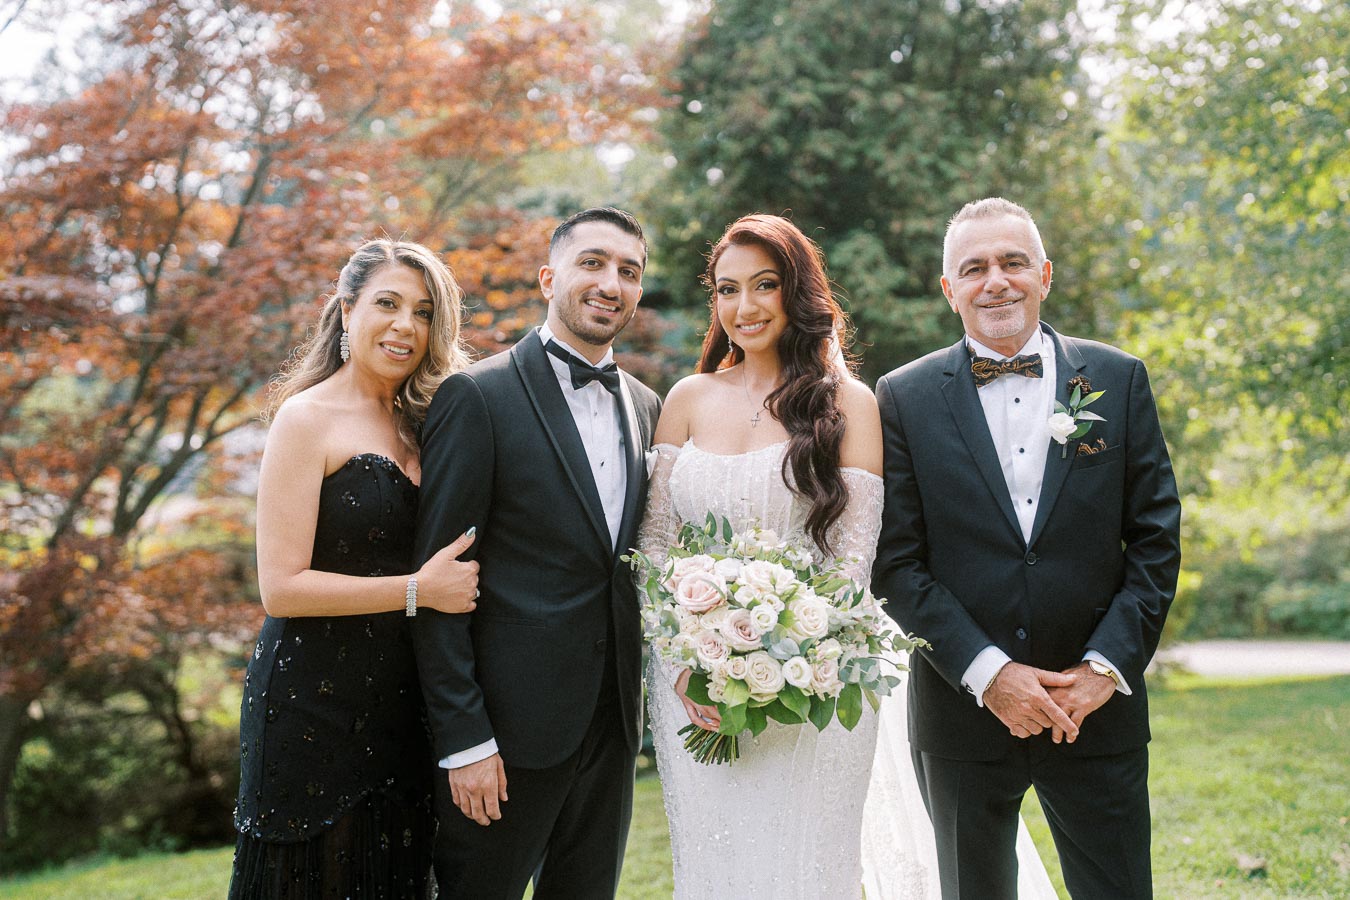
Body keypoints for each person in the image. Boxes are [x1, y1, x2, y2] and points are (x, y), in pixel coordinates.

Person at [872, 197, 1182, 898]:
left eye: (1013, 262)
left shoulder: (1117, 378)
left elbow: (1157, 538)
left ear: (1043, 273)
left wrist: (1105, 668)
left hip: (1094, 710)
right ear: (949, 289)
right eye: (974, 267)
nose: (996, 281)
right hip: (964, 713)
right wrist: (988, 674)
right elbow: (895, 562)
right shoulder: (902, 396)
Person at [638, 213, 897, 897]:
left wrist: (784, 662)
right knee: (717, 866)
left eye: (764, 285)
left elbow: (851, 562)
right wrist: (689, 662)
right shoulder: (687, 400)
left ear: (797, 293)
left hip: (817, 681)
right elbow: (655, 546)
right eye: (727, 290)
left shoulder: (849, 404)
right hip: (691, 683)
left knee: (805, 866)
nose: (744, 307)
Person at [411, 207, 662, 899]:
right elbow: (439, 588)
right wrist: (464, 739)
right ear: (550, 276)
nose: (611, 283)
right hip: (503, 739)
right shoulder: (477, 397)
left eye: (629, 271)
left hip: (611, 731)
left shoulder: (647, 407)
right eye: (593, 263)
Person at [230, 239, 481, 898]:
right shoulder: (305, 419)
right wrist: (417, 591)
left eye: (424, 312)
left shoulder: (433, 424)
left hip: (406, 706)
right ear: (347, 311)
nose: (405, 326)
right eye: (387, 304)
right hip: (311, 703)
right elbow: (280, 588)